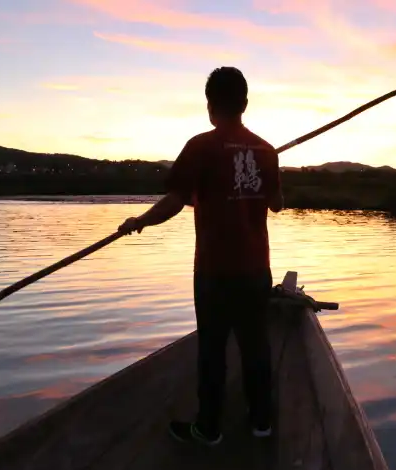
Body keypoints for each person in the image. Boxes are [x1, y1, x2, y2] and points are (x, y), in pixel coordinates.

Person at [118, 66, 284, 447]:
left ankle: (209, 428)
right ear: (244, 104)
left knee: (212, 350)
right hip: (257, 269)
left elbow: (175, 201)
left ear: (210, 106)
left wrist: (139, 221)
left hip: (214, 272)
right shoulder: (266, 150)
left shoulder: (200, 147)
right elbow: (277, 205)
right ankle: (262, 422)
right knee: (256, 345)